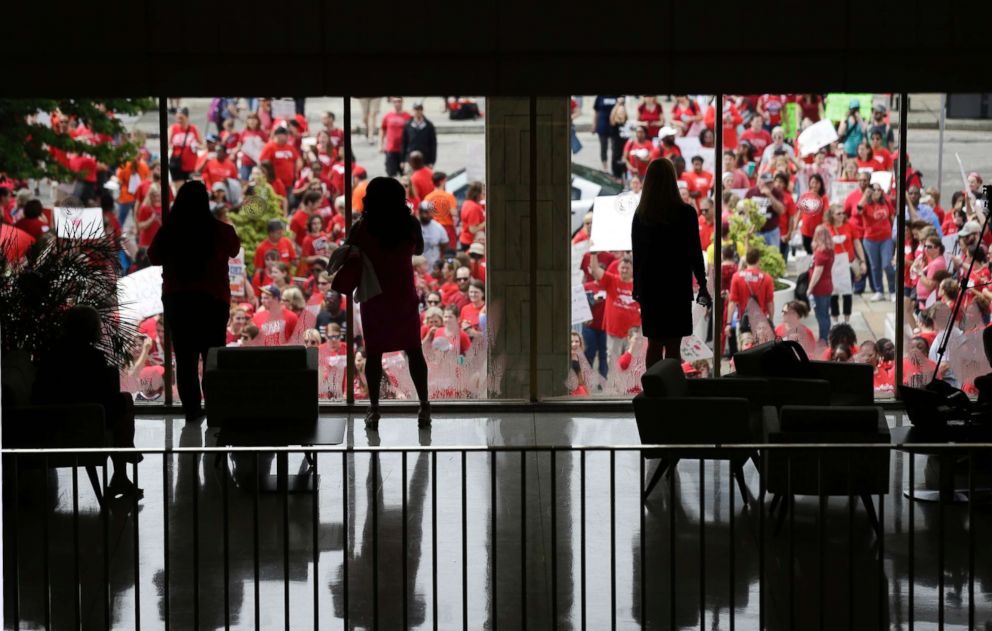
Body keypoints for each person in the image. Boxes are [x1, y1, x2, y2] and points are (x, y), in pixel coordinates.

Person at [339, 177, 431, 428]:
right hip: (403, 295)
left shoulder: (361, 227)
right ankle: (424, 407)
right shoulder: (410, 225)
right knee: (414, 350)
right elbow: (420, 250)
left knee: (374, 354)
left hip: (374, 296)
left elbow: (348, 251)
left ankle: (375, 409)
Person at [148, 180, 241, 423]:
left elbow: (153, 256)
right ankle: (215, 408)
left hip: (179, 302)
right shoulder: (220, 230)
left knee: (185, 359)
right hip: (213, 302)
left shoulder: (169, 232)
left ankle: (191, 410)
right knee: (212, 357)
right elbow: (234, 248)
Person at [33, 305, 141, 497]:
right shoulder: (92, 357)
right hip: (82, 417)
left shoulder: (52, 353)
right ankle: (123, 463)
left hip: (52, 416)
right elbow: (102, 395)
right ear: (91, 329)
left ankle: (125, 459)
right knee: (125, 403)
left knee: (123, 402)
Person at [629, 158, 709, 367]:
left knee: (654, 344)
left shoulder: (641, 215)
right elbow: (695, 253)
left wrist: (636, 287)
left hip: (651, 288)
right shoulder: (686, 213)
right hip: (677, 286)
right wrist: (702, 283)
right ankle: (671, 391)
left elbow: (637, 255)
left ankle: (653, 390)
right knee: (674, 346)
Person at [808, 224, 835, 343]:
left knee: (821, 315)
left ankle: (823, 339)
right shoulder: (829, 250)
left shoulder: (820, 253)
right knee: (825, 314)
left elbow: (817, 273)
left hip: (820, 288)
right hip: (828, 285)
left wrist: (810, 288)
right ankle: (826, 337)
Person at [168, 107, 202, 184]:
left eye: (181, 118)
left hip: (191, 165)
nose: (179, 120)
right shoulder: (173, 128)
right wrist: (172, 145)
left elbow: (203, 145)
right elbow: (167, 144)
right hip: (177, 164)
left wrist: (196, 145)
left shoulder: (194, 129)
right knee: (180, 191)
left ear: (187, 117)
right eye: (177, 117)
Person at [380, 97, 411, 177]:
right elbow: (382, 129)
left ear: (402, 102)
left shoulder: (408, 116)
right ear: (392, 103)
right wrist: (381, 144)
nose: (397, 103)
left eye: (399, 101)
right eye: (395, 102)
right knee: (391, 174)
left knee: (405, 175)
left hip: (404, 150)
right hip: (391, 149)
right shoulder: (387, 116)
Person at [402, 102, 437, 166]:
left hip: (425, 159)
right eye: (416, 109)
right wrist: (403, 160)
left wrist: (432, 161)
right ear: (413, 111)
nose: (418, 111)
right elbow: (404, 143)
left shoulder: (428, 125)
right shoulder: (408, 125)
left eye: (419, 109)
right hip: (410, 159)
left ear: (422, 111)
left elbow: (433, 144)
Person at [417, 201, 449, 270]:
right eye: (426, 212)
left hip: (433, 269)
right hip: (417, 269)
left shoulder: (438, 227)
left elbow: (445, 247)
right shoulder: (413, 226)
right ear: (420, 212)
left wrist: (441, 264)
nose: (428, 215)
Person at [459, 181, 486, 251]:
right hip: (471, 243)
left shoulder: (467, 202)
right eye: (483, 193)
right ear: (478, 194)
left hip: (465, 240)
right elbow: (473, 229)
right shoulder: (473, 207)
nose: (484, 195)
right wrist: (487, 221)